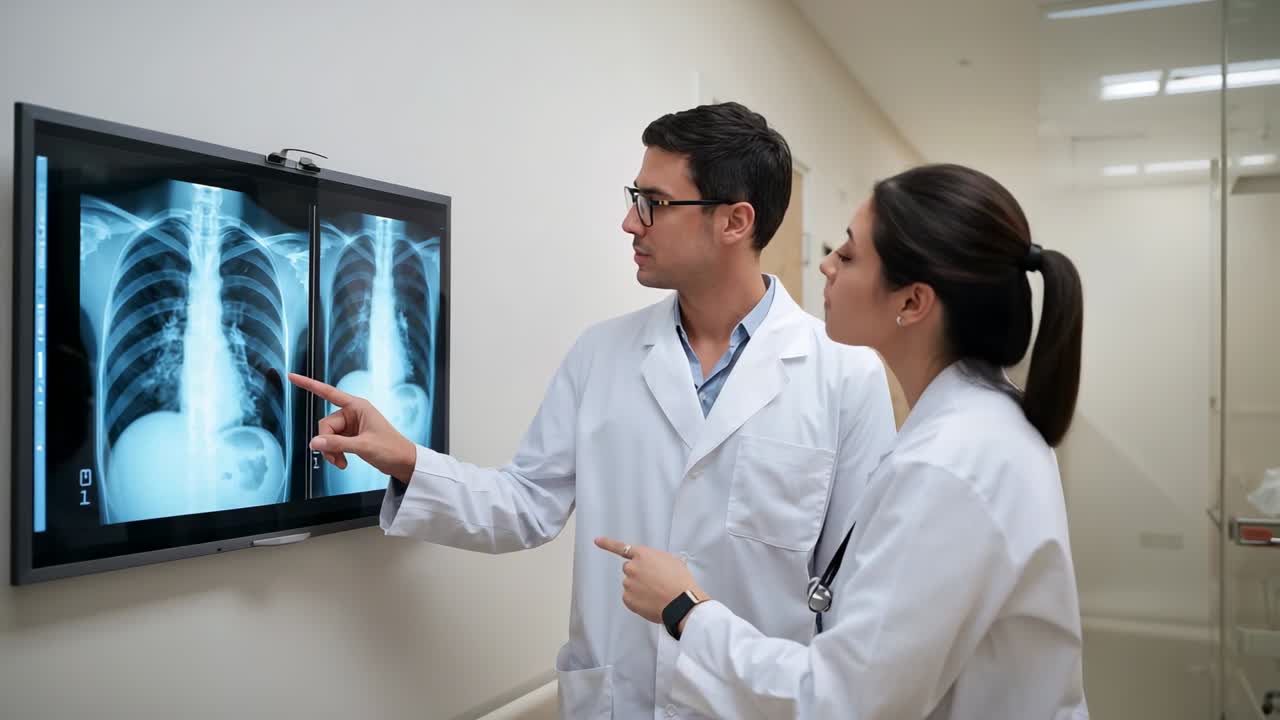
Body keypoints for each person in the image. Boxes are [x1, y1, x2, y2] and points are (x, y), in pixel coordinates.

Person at [288, 102, 899, 719]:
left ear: (735, 222)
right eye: (636, 198)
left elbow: (853, 595)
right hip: (619, 701)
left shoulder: (845, 377)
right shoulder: (602, 354)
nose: (630, 223)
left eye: (654, 203)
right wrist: (407, 459)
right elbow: (525, 505)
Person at [597, 163, 1089, 719]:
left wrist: (685, 607)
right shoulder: (981, 426)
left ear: (911, 303)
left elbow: (841, 702)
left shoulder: (949, 465)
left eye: (849, 255)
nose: (826, 264)